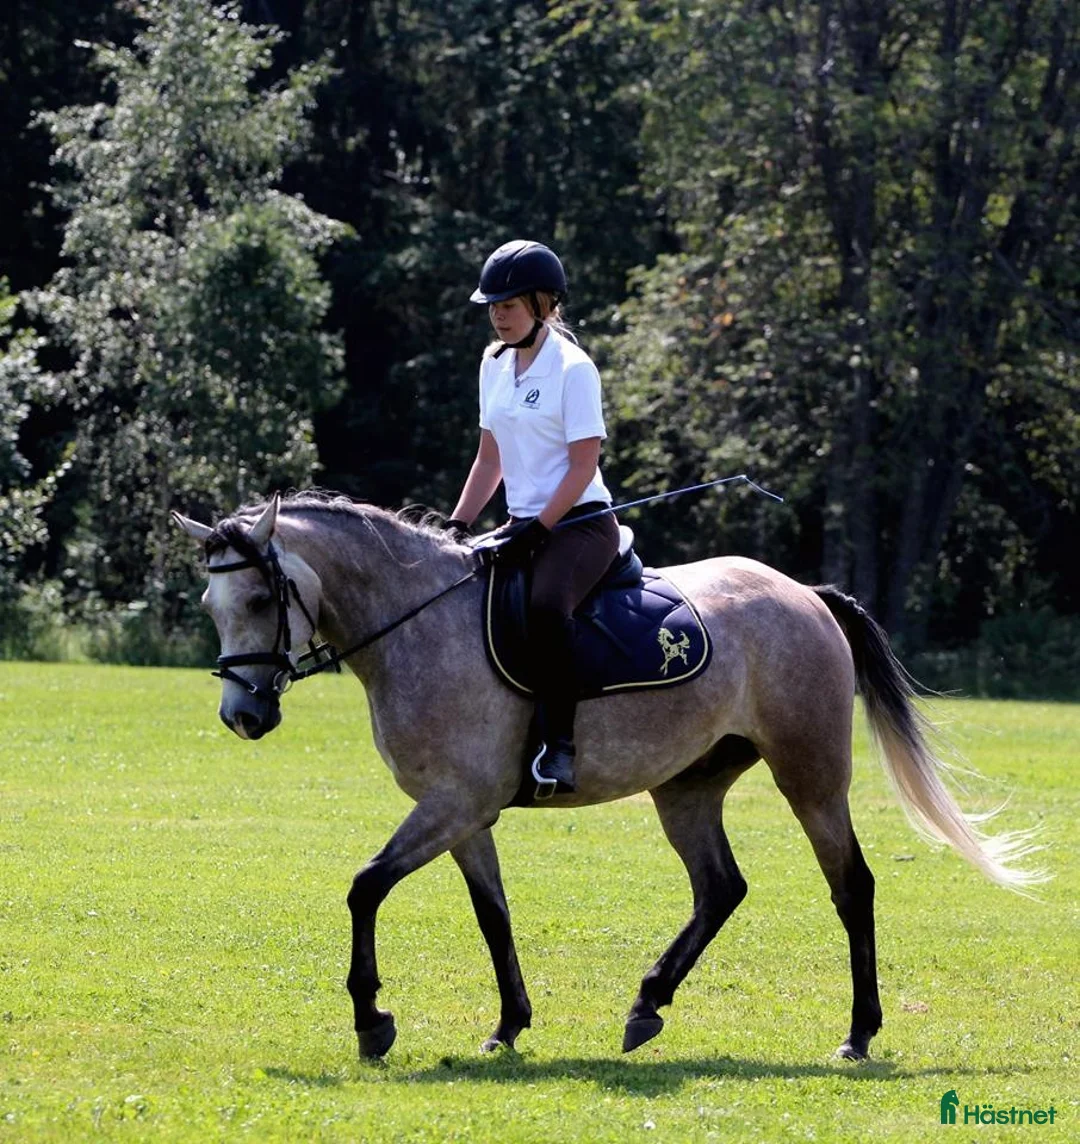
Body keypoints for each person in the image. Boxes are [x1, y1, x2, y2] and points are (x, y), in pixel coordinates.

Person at [446, 239, 620, 797]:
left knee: (545, 606)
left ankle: (560, 747)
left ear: (544, 305)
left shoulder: (574, 369)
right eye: (493, 306)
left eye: (510, 305)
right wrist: (457, 526)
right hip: (522, 525)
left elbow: (583, 466)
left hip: (579, 524)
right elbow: (489, 459)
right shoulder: (492, 364)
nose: (498, 315)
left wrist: (539, 528)